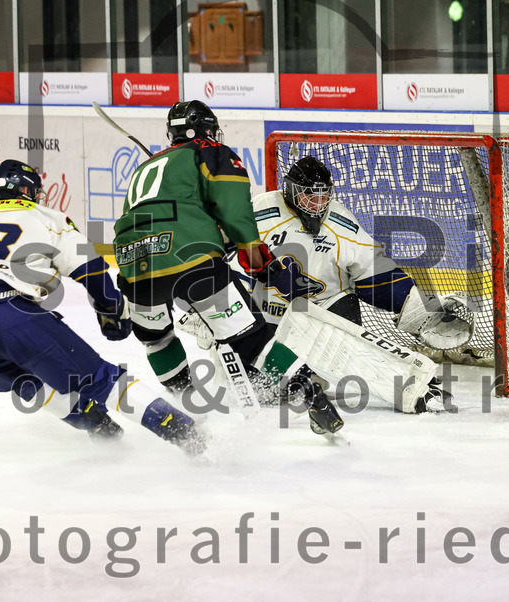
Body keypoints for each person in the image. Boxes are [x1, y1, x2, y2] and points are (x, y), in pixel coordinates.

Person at [0, 159, 205, 455]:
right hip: (8, 312)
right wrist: (111, 310)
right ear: (28, 190)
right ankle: (189, 435)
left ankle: (94, 422)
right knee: (102, 379)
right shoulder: (45, 217)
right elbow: (90, 268)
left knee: (27, 383)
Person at [112, 100, 344, 436]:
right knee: (250, 336)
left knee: (157, 340)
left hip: (134, 264)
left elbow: (146, 222)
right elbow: (236, 214)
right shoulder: (212, 151)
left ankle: (188, 410)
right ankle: (313, 398)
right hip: (191, 256)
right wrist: (264, 266)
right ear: (208, 129)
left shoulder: (143, 171)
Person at [218, 155, 473, 412]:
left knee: (351, 341)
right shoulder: (261, 210)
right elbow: (220, 247)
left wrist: (420, 308)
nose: (318, 205)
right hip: (269, 319)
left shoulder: (340, 222)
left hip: (325, 312)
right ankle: (299, 375)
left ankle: (413, 387)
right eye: (310, 197)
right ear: (291, 192)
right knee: (263, 391)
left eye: (323, 196)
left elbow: (376, 274)